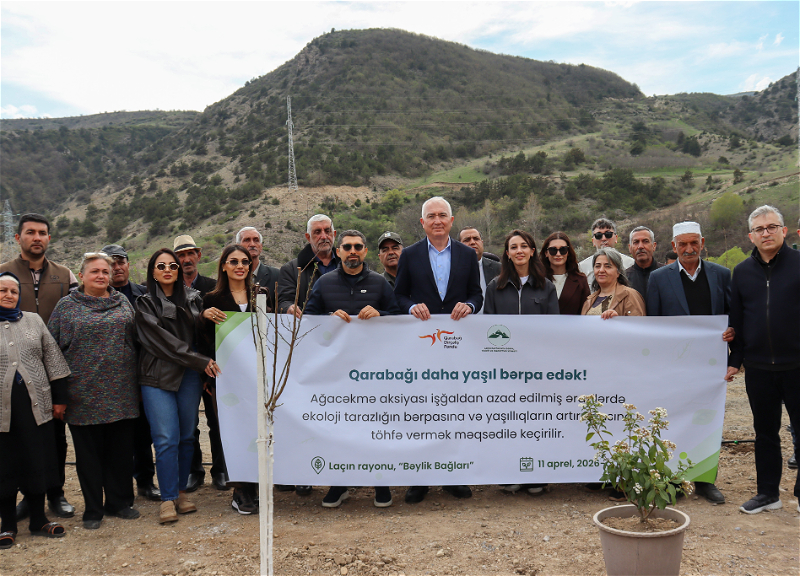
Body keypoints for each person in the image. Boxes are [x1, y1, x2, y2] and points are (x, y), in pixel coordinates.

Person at [394, 196, 482, 504]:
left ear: (451, 220)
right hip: (422, 347)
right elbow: (399, 295)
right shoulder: (409, 255)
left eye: (442, 215)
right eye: (431, 216)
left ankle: (452, 475)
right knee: (422, 411)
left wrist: (470, 305)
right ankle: (420, 478)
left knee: (454, 409)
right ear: (422, 223)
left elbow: (476, 294)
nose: (437, 220)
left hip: (457, 348)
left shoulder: (468, 255)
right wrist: (410, 307)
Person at [304, 230, 400, 508]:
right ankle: (339, 484)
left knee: (376, 427)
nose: (353, 251)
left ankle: (381, 484)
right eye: (347, 247)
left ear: (366, 251)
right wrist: (327, 318)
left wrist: (382, 314)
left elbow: (399, 318)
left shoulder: (380, 284)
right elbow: (308, 318)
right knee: (339, 428)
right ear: (339, 251)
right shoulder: (324, 282)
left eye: (358, 246)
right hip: (335, 371)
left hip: (374, 370)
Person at [48, 253, 140, 530]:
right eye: (95, 271)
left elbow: (134, 339)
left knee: (121, 454)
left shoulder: (122, 302)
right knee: (89, 458)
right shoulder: (66, 307)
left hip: (121, 392)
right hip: (83, 395)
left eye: (105, 271)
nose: (101, 276)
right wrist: (59, 395)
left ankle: (119, 502)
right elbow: (52, 352)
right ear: (83, 275)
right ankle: (93, 510)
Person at [646, 221, 732, 505]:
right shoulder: (659, 278)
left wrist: (732, 332)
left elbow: (732, 316)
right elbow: (654, 326)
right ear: (673, 246)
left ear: (703, 242)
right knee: (674, 420)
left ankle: (705, 481)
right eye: (682, 244)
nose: (688, 249)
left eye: (694, 243)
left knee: (707, 420)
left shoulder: (721, 275)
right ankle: (673, 481)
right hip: (674, 365)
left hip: (709, 365)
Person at [0, 213, 77, 521]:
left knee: (53, 437)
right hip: (10, 372)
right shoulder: (3, 273)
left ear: (49, 238)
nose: (37, 237)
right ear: (18, 238)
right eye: (30, 232)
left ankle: (54, 493)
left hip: (52, 366)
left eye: (42, 233)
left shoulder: (64, 274)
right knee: (14, 439)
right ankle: (24, 498)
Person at [135, 249, 221, 524]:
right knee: (165, 439)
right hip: (156, 377)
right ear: (153, 272)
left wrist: (205, 320)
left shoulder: (196, 300)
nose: (168, 269)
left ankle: (181, 492)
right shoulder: (144, 304)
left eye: (172, 265)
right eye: (161, 266)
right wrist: (199, 361)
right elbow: (162, 343)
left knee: (186, 436)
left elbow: (203, 337)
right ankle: (167, 498)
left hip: (189, 377)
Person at [725, 206, 800, 514]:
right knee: (765, 432)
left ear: (784, 231)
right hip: (758, 368)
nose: (766, 233)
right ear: (750, 236)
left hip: (797, 365)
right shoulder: (741, 272)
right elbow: (737, 321)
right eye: (760, 229)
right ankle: (768, 493)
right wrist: (735, 359)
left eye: (772, 227)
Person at [0, 272, 71, 549]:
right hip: (2, 413)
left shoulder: (34, 320)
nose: (8, 295)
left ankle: (39, 520)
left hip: (36, 407)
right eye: (2, 290)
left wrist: (59, 399)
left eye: (13, 291)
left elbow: (53, 361)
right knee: (4, 464)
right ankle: (6, 525)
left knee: (36, 460)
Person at [485, 230, 558, 496]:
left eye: (523, 246)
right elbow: (489, 329)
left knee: (536, 422)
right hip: (506, 370)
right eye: (513, 247)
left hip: (538, 368)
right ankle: (510, 474)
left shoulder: (546, 286)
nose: (518, 251)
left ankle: (537, 475)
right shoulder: (495, 286)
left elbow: (554, 328)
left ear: (531, 251)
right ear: (507, 253)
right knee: (509, 422)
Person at [200, 244, 263, 515]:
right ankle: (240, 490)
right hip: (226, 378)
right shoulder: (211, 298)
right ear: (223, 265)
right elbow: (203, 340)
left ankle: (256, 485)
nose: (240, 266)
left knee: (256, 431)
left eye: (245, 262)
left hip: (257, 377)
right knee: (231, 431)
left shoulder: (261, 295)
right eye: (233, 261)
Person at [101, 244, 160, 503]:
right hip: (110, 376)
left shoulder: (144, 293)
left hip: (143, 371)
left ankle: (145, 482)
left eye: (121, 261)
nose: (117, 267)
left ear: (127, 264)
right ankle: (116, 488)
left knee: (142, 431)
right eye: (111, 263)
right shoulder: (96, 296)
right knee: (114, 435)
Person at [172, 235, 224, 493]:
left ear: (199, 256)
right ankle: (195, 471)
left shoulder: (213, 288)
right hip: (183, 365)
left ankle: (221, 469)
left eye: (190, 253)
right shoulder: (169, 289)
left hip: (213, 362)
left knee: (217, 420)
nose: (186, 259)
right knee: (188, 422)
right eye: (181, 255)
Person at [278, 214, 340, 317]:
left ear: (334, 234)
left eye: (327, 231)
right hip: (307, 330)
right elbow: (284, 301)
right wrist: (289, 308)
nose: (324, 237)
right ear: (308, 237)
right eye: (317, 232)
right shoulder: (291, 270)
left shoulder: (347, 267)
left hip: (343, 329)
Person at [581, 248, 645, 319]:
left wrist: (618, 320)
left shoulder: (630, 296)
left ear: (618, 272)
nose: (601, 270)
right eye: (598, 266)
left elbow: (638, 327)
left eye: (608, 266)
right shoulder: (589, 300)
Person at [540, 232, 590, 315]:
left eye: (563, 250)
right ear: (546, 253)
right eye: (553, 250)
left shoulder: (581, 281)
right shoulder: (537, 280)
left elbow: (586, 312)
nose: (558, 254)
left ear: (568, 252)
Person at [578, 218, 635, 287]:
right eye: (598, 235)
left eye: (608, 234)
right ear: (593, 241)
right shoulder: (582, 268)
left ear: (616, 238)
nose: (604, 238)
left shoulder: (630, 263)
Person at [235, 227, 280, 311]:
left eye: (256, 240)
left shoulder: (277, 276)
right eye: (247, 240)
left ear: (261, 246)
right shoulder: (230, 277)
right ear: (238, 247)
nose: (252, 244)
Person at [459, 227, 501, 313]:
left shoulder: (498, 269)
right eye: (467, 240)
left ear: (482, 243)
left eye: (476, 239)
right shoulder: (452, 270)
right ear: (458, 246)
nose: (472, 242)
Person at [625, 226, 662, 301]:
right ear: (630, 248)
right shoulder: (623, 279)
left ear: (654, 246)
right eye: (636, 242)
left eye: (645, 241)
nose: (640, 246)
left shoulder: (668, 275)